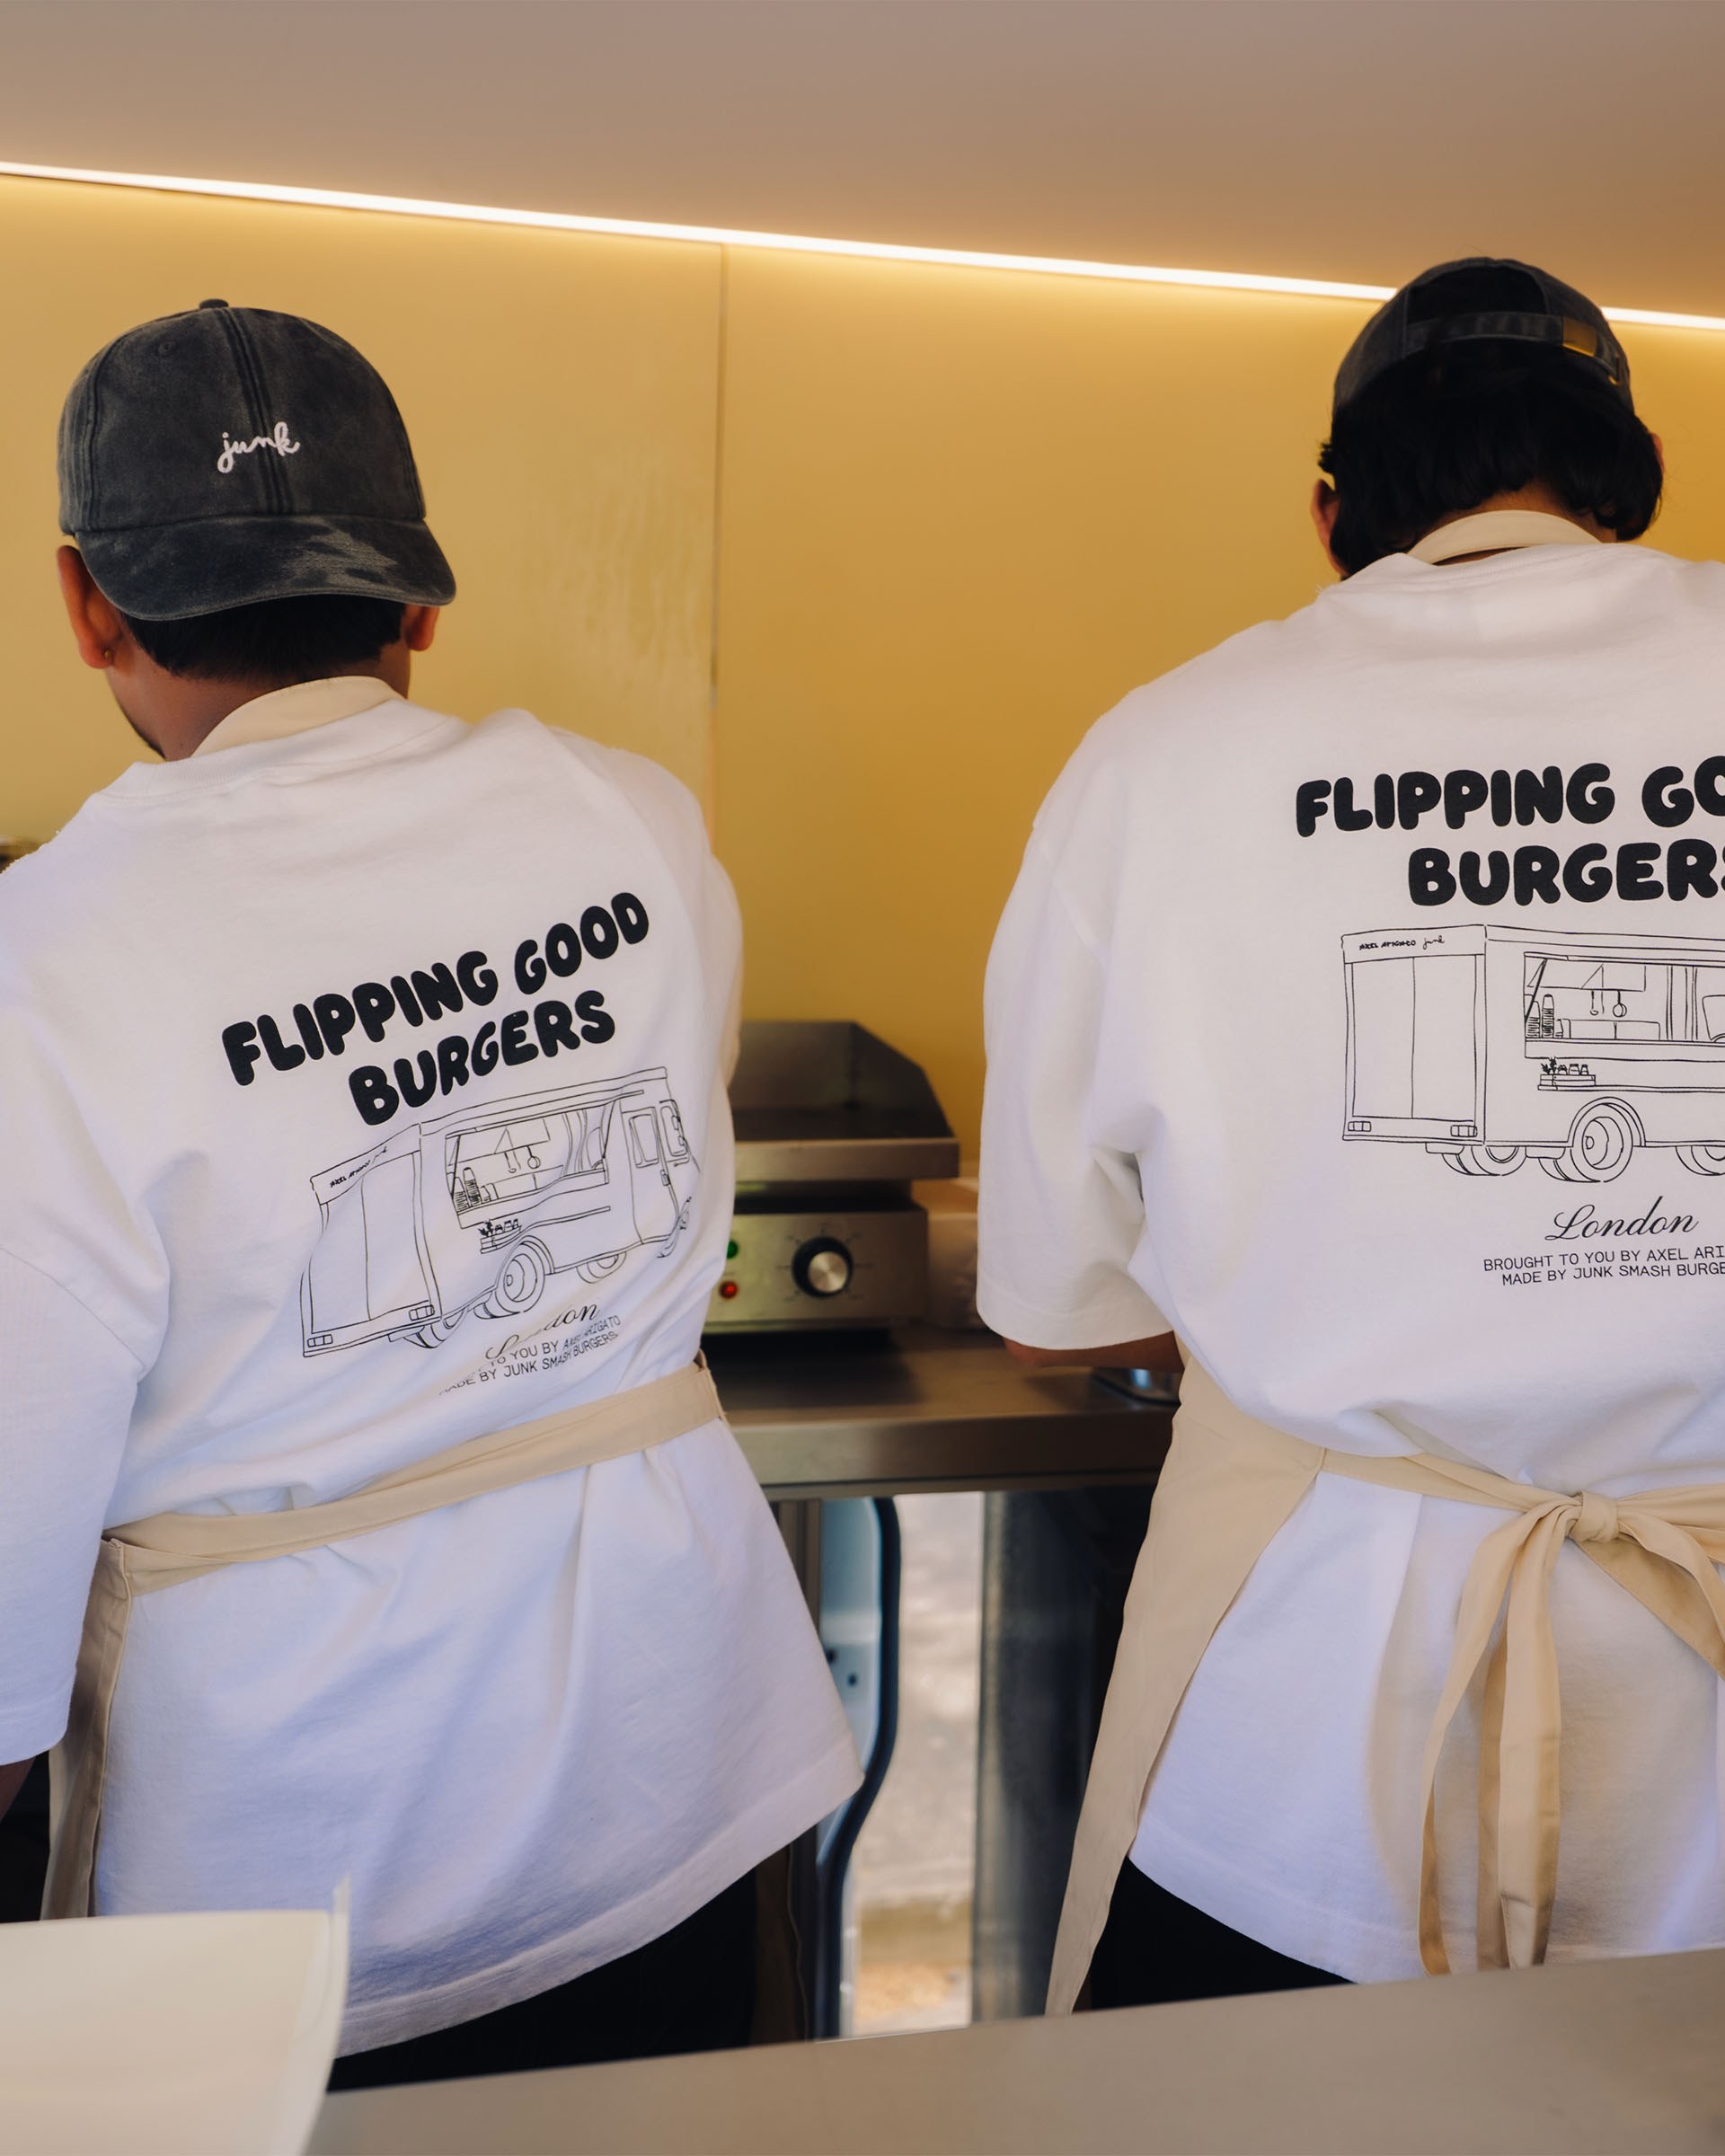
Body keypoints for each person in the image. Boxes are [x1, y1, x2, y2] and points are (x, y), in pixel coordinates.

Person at [0, 301, 859, 2081]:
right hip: (675, 1775)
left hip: (301, 1878)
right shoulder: (632, 818)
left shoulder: (48, 962)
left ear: (86, 603)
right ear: (418, 595)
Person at [978, 258, 1725, 2012]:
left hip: (1317, 1724)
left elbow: (1053, 1308)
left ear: (1334, 513)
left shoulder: (1162, 755)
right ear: (1630, 488)